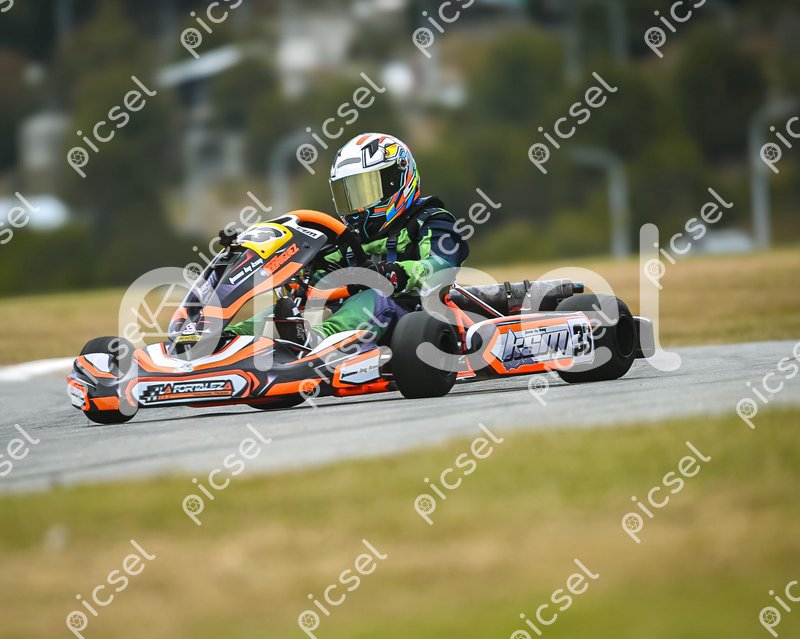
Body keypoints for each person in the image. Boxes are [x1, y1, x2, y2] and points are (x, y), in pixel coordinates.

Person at [228, 133, 469, 346]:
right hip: (351, 315)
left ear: (397, 179)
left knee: (372, 297)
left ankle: (317, 341)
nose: (358, 204)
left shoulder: (431, 220)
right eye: (350, 193)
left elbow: (441, 267)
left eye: (367, 190)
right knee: (295, 310)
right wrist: (302, 280)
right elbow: (324, 272)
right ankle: (230, 339)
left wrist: (394, 273)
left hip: (412, 316)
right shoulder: (348, 238)